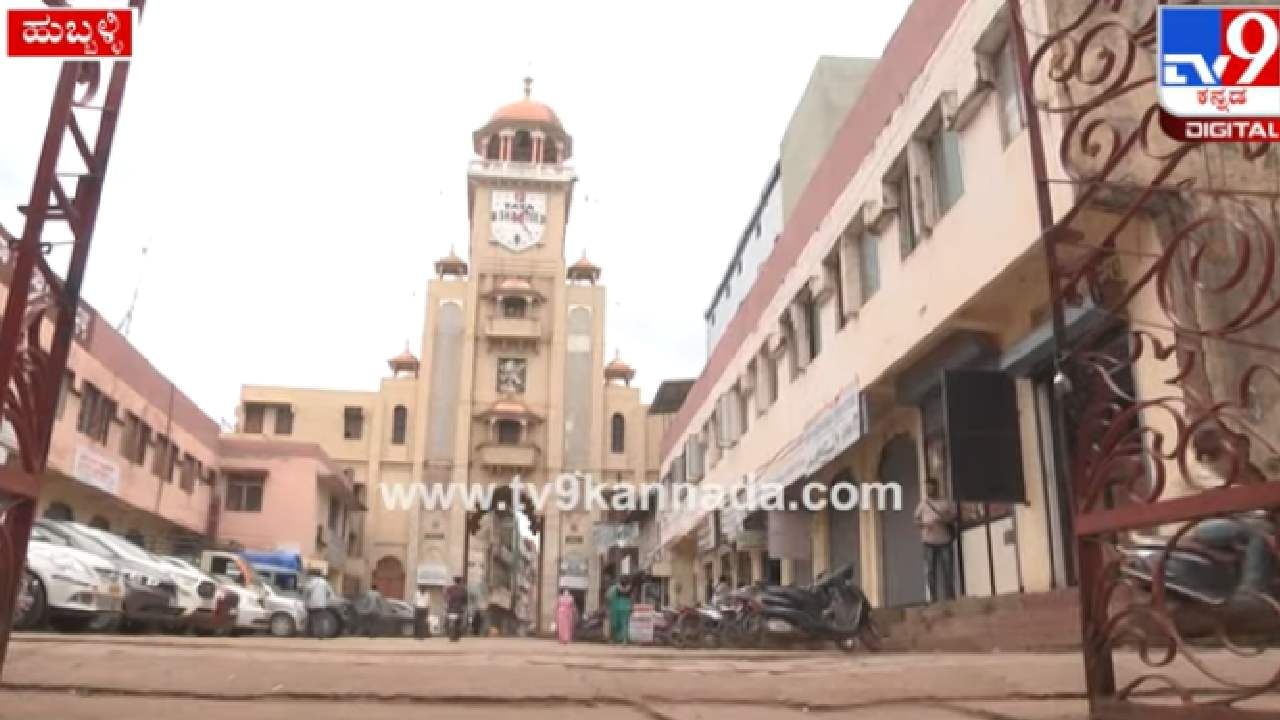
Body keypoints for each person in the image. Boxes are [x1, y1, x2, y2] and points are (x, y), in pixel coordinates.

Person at [914, 478, 957, 603]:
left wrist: (943, 520)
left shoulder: (945, 503)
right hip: (928, 541)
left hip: (944, 540)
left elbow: (953, 517)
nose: (929, 490)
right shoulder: (923, 504)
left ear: (936, 488)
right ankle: (933, 599)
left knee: (948, 569)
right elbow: (916, 521)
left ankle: (950, 597)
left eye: (931, 487)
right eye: (927, 488)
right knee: (930, 571)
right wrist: (924, 524)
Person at [302, 569, 336, 639]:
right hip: (321, 604)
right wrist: (327, 600)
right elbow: (330, 593)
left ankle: (308, 634)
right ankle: (321, 635)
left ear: (314, 575)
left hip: (311, 604)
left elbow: (307, 591)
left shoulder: (312, 582)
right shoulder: (325, 582)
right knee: (320, 620)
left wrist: (305, 601)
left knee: (310, 618)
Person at [605, 577, 633, 644]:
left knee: (615, 625)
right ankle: (623, 640)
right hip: (623, 607)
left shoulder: (614, 588)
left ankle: (615, 640)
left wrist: (608, 607)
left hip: (616, 607)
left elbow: (608, 597)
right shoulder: (629, 589)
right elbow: (608, 597)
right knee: (623, 624)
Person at [444, 575, 467, 642]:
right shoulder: (463, 589)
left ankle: (451, 637)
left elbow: (445, 597)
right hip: (459, 609)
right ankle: (456, 637)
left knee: (451, 622)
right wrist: (464, 606)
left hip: (451, 608)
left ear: (454, 581)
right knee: (458, 623)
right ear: (460, 581)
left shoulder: (449, 588)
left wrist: (447, 604)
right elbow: (465, 600)